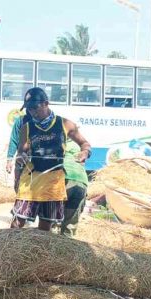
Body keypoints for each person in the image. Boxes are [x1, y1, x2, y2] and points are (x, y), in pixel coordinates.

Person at [10, 87, 91, 232]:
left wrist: (85, 152)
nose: (32, 112)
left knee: (45, 229)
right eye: (29, 109)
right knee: (17, 224)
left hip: (53, 184)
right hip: (31, 182)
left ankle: (38, 253)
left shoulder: (65, 124)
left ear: (46, 103)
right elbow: (21, 152)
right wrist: (20, 159)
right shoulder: (26, 127)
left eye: (35, 108)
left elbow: (84, 144)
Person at [61, 141, 90, 237]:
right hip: (81, 182)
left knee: (53, 221)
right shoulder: (78, 144)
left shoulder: (57, 139)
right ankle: (66, 247)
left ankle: (50, 250)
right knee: (70, 226)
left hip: (63, 179)